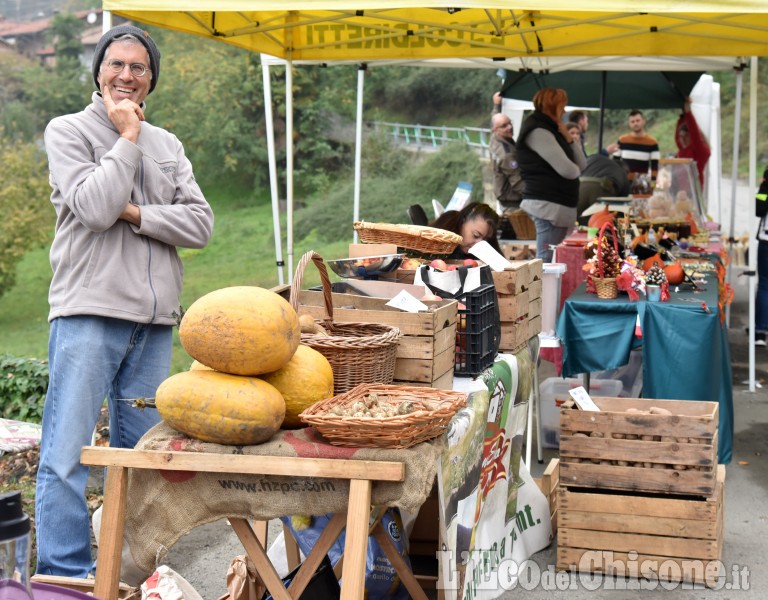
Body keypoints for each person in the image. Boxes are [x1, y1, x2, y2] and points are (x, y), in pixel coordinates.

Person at [35, 25, 214, 578]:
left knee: (145, 459)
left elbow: (201, 223)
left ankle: (131, 572)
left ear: (151, 79)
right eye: (117, 64)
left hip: (155, 324)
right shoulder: (67, 131)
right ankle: (64, 575)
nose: (127, 76)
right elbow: (93, 207)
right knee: (67, 455)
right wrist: (126, 139)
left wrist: (136, 214)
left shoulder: (170, 144)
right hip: (89, 312)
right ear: (98, 71)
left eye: (139, 68)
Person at [517, 87, 587, 262]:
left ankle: (552, 290)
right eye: (562, 106)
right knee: (546, 261)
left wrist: (569, 139)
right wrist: (576, 169)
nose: (564, 111)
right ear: (552, 107)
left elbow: (582, 164)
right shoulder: (538, 131)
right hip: (548, 207)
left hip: (558, 207)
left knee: (554, 260)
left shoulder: (554, 130)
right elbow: (569, 170)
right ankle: (545, 291)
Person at [490, 93, 525, 215]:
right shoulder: (507, 155)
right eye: (504, 126)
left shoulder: (494, 137)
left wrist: (497, 104)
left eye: (510, 123)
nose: (509, 127)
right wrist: (536, 197)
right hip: (513, 205)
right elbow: (517, 183)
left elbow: (495, 118)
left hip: (504, 199)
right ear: (496, 130)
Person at [431, 202, 502, 259]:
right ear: (463, 221)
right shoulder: (446, 225)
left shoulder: (485, 249)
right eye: (476, 235)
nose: (478, 244)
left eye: (485, 240)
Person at [606, 109, 659, 182]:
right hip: (624, 182)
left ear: (643, 121)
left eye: (638, 121)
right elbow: (616, 162)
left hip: (642, 183)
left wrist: (653, 183)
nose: (635, 124)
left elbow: (654, 166)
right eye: (632, 122)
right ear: (629, 123)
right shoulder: (622, 140)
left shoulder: (652, 142)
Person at [675, 96, 711, 190]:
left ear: (691, 135)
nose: (682, 139)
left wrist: (688, 113)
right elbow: (677, 138)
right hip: (681, 192)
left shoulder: (700, 151)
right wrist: (682, 115)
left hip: (695, 192)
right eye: (680, 137)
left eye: (685, 136)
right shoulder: (683, 149)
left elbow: (695, 133)